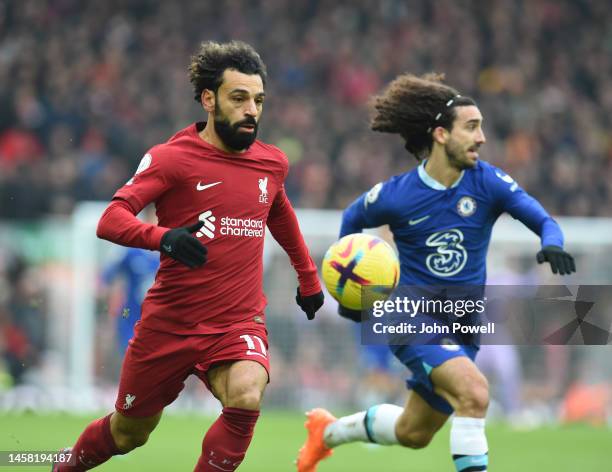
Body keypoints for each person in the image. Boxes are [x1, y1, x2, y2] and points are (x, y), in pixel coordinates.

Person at [54, 40, 324, 472]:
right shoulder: (171, 158)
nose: (251, 110)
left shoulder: (271, 163)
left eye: (258, 100)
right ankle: (63, 466)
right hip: (170, 325)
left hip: (236, 322)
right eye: (239, 99)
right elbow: (110, 218)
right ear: (209, 99)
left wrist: (308, 277)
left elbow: (280, 213)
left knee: (247, 390)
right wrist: (164, 238)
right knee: (129, 433)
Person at [296, 73, 575, 472]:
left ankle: (326, 433)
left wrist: (552, 243)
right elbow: (352, 218)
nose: (481, 138)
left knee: (414, 432)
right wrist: (349, 292)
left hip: (464, 322)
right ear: (442, 134)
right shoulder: (396, 194)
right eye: (472, 127)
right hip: (411, 315)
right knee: (476, 394)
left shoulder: (489, 183)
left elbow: (543, 219)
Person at [101, 206, 159, 354]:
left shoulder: (173, 253)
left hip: (161, 323)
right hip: (131, 319)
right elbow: (106, 277)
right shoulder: (131, 250)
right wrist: (108, 313)